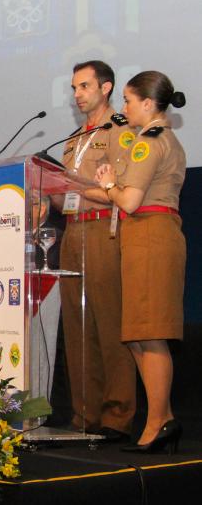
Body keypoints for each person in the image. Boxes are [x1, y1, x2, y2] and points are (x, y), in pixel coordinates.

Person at [95, 71, 186, 453]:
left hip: (151, 233)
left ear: (148, 104)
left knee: (149, 335)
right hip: (144, 235)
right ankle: (161, 420)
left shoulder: (150, 142)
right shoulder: (149, 140)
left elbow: (130, 200)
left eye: (129, 101)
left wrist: (108, 184)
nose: (125, 107)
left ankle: (157, 422)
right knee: (137, 335)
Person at [55, 60, 136, 441]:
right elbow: (67, 194)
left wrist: (78, 189)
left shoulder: (122, 132)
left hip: (105, 230)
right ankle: (84, 415)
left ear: (105, 88)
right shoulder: (72, 140)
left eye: (84, 86)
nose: (77, 94)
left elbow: (116, 189)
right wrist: (53, 191)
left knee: (109, 323)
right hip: (72, 233)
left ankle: (117, 416)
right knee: (77, 327)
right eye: (74, 88)